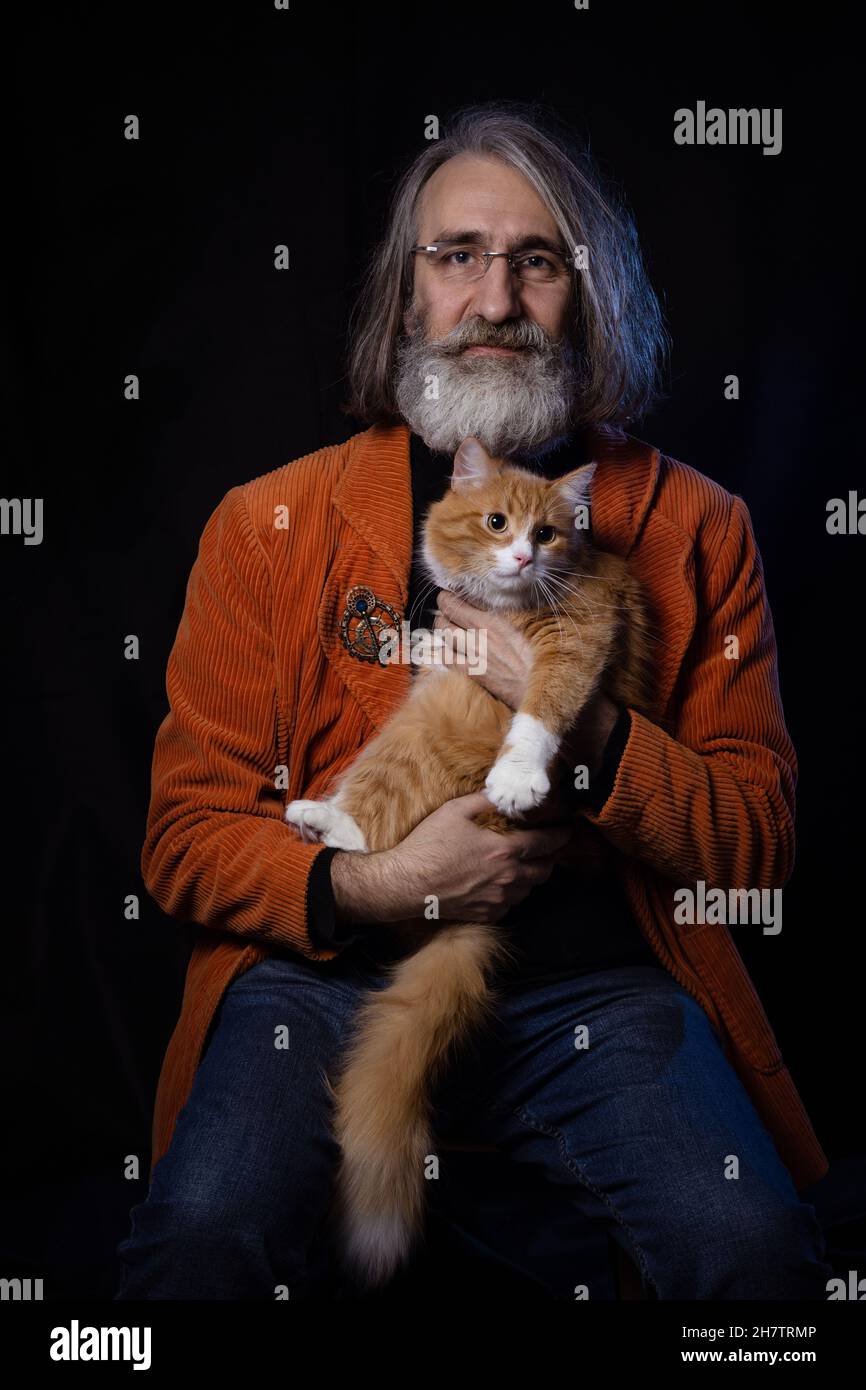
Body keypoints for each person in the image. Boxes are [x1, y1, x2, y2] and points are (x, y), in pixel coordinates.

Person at [115, 103, 832, 1300]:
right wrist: (382, 881)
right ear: (406, 296)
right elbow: (183, 837)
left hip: (594, 984)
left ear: (583, 298)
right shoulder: (265, 524)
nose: (493, 299)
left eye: (535, 261)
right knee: (198, 1238)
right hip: (321, 972)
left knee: (752, 1258)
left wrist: (583, 733)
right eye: (456, 256)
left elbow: (754, 847)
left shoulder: (698, 526)